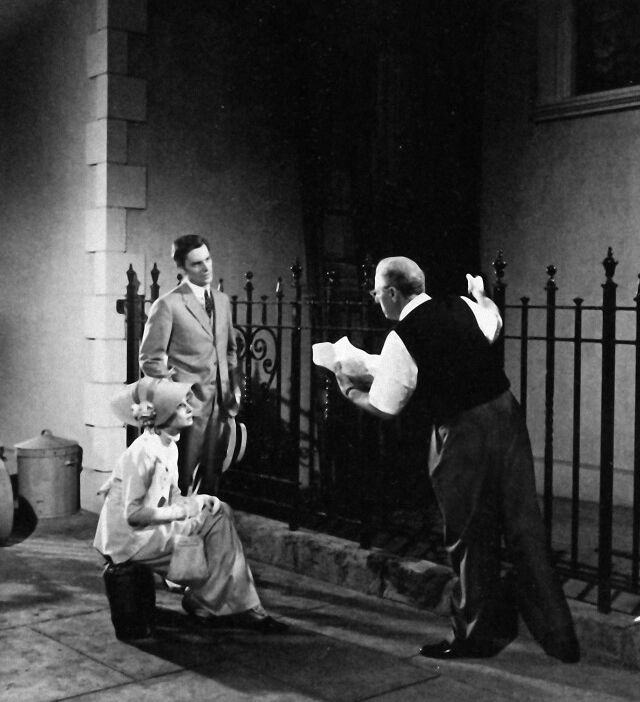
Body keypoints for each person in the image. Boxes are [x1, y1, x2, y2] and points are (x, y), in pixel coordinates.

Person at [334, 256, 580, 663]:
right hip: (504, 415)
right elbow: (492, 322)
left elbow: (386, 406)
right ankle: (560, 637)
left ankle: (474, 636)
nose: (376, 300)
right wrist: (482, 295)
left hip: (462, 431)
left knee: (469, 534)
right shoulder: (462, 306)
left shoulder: (402, 336)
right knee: (524, 524)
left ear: (392, 293)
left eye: (377, 292)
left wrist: (349, 388)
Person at [94, 376, 287, 632]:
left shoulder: (168, 446)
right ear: (163, 414)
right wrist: (183, 511)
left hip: (146, 533)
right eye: (181, 406)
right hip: (131, 541)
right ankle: (229, 605)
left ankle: (217, 601)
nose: (189, 409)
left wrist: (200, 501)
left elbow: (171, 494)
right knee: (216, 524)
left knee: (220, 512)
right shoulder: (143, 453)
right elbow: (134, 514)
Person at [139, 234, 240, 495]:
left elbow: (230, 349)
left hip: (220, 406)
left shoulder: (222, 301)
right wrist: (177, 396)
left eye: (208, 259)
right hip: (188, 410)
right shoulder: (168, 305)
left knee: (212, 480)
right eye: (197, 263)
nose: (206, 268)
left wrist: (233, 387)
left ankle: (205, 520)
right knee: (181, 481)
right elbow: (149, 359)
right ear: (182, 268)